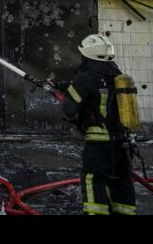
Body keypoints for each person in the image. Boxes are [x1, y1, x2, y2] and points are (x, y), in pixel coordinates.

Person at [55, 34, 136, 215]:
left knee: (94, 181)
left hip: (99, 145)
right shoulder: (118, 76)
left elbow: (70, 110)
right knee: (121, 182)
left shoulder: (85, 78)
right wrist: (59, 85)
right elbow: (94, 88)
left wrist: (76, 118)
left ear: (87, 56)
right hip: (123, 144)